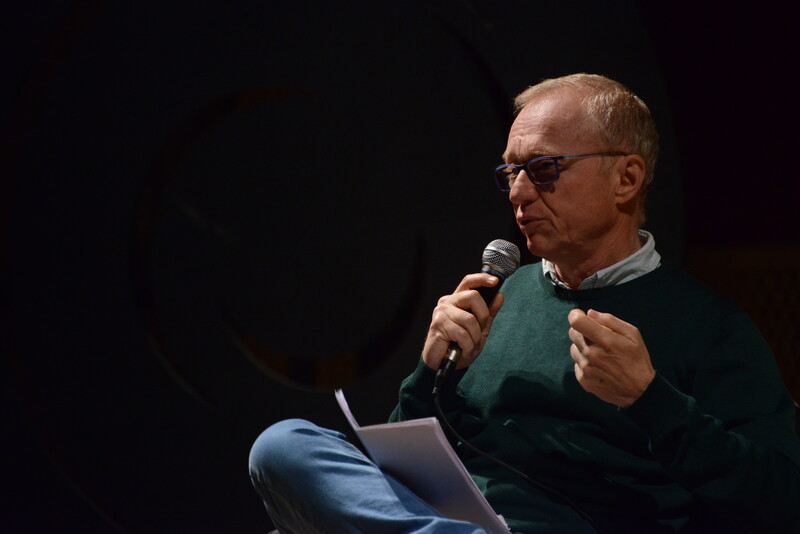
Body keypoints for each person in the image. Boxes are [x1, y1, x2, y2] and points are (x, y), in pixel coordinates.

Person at [249, 74, 800, 533]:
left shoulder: (708, 326)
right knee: (282, 446)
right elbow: (398, 473)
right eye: (510, 173)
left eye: (543, 170)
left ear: (626, 178)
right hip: (452, 520)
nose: (517, 194)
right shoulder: (497, 298)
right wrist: (429, 371)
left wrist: (651, 400)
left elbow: (779, 498)